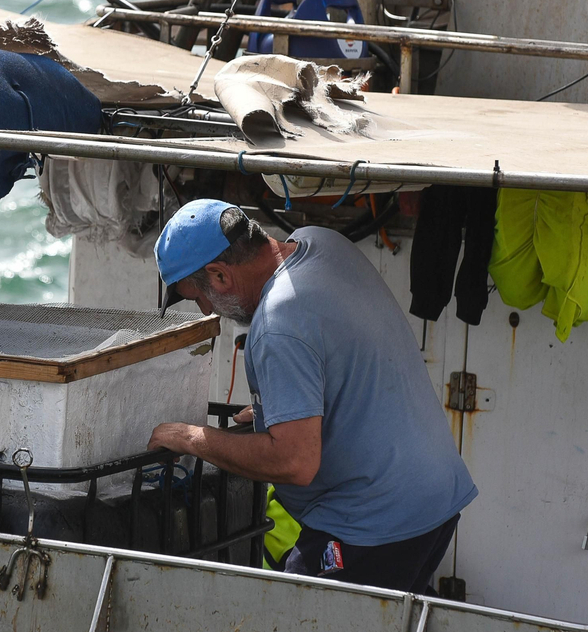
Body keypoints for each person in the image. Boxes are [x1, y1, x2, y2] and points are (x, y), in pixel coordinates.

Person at [147, 199, 477, 594]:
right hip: (435, 501)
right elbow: (341, 357)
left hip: (373, 524)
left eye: (197, 298)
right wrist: (284, 407)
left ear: (219, 276)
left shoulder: (276, 324)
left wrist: (191, 438)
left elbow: (295, 462)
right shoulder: (322, 244)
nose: (205, 311)